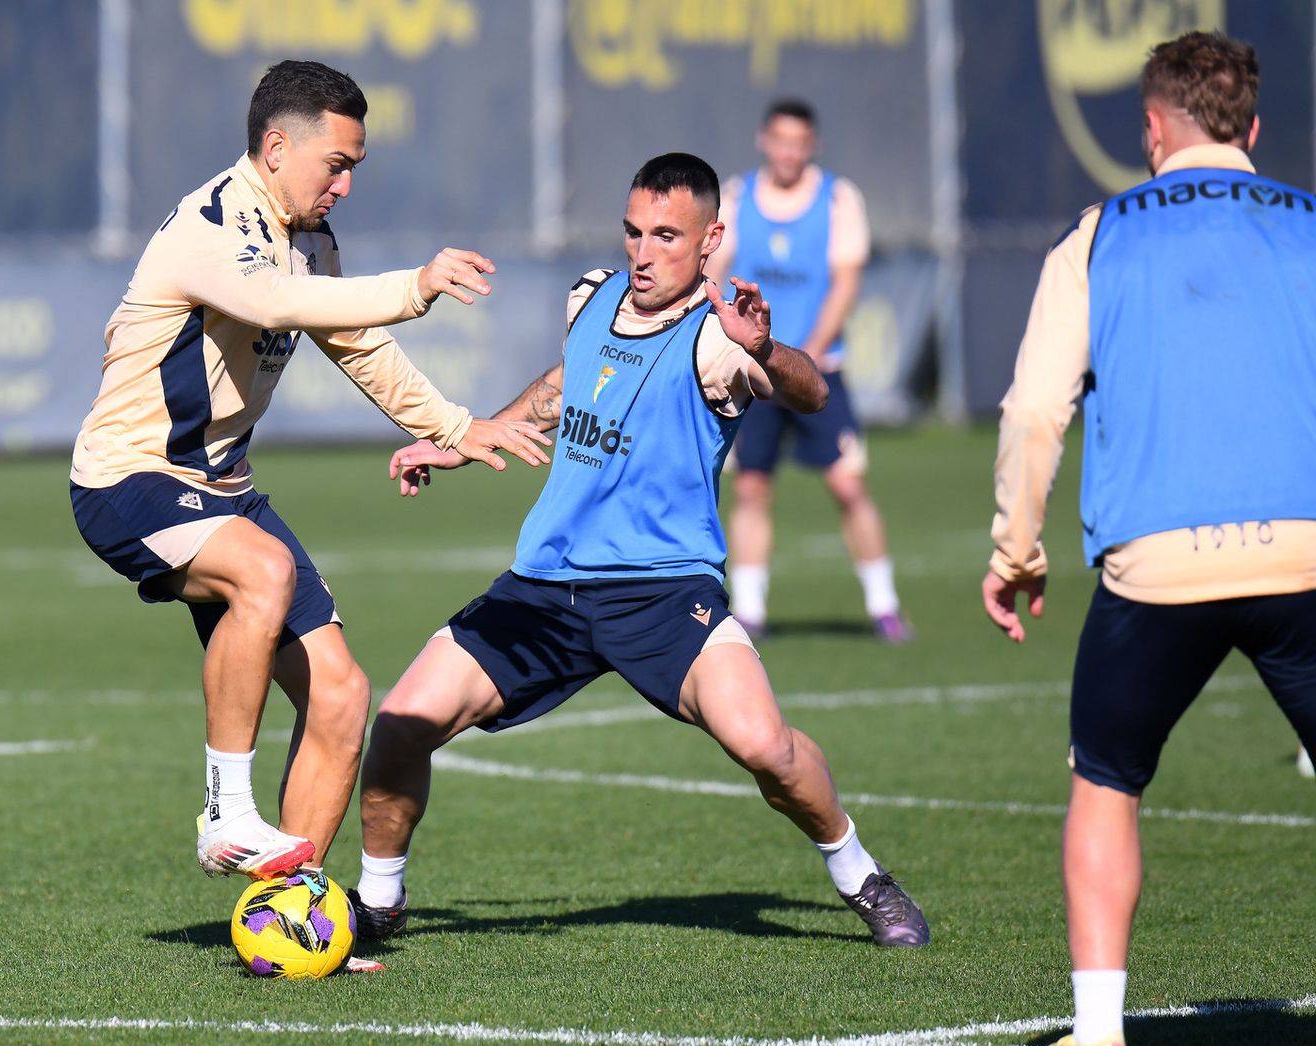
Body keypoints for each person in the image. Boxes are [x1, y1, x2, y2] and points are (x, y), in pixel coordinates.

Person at [348, 153, 930, 950]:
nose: (643, 251)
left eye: (666, 235)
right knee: (401, 722)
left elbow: (812, 392)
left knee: (764, 745)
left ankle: (861, 875)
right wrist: (470, 436)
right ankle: (378, 903)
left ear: (710, 238)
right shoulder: (590, 296)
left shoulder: (719, 342)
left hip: (661, 592)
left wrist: (765, 348)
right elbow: (569, 380)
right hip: (545, 590)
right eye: (633, 231)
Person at [69, 60, 549, 883]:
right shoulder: (212, 225)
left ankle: (292, 909)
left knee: (341, 698)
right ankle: (226, 812)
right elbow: (279, 306)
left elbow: (355, 343)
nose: (346, 186)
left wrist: (454, 426)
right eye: (339, 165)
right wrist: (416, 284)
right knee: (263, 574)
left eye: (356, 168)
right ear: (277, 146)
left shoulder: (310, 239)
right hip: (127, 477)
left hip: (222, 488)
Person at [981, 32, 1316, 1046]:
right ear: (1251, 128)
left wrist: (1015, 548)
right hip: (1306, 555)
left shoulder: (1099, 232)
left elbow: (1036, 408)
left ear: (1150, 126)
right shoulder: (1309, 225)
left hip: (1155, 566)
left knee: (1106, 778)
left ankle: (1097, 1041)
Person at [704, 99, 909, 642]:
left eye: (799, 142)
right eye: (780, 140)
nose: (789, 152)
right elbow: (715, 271)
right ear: (764, 140)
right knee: (751, 487)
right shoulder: (740, 196)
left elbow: (845, 281)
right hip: (754, 374)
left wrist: (808, 354)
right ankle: (749, 610)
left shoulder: (838, 200)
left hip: (820, 370)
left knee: (847, 484)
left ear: (810, 145)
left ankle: (883, 604)